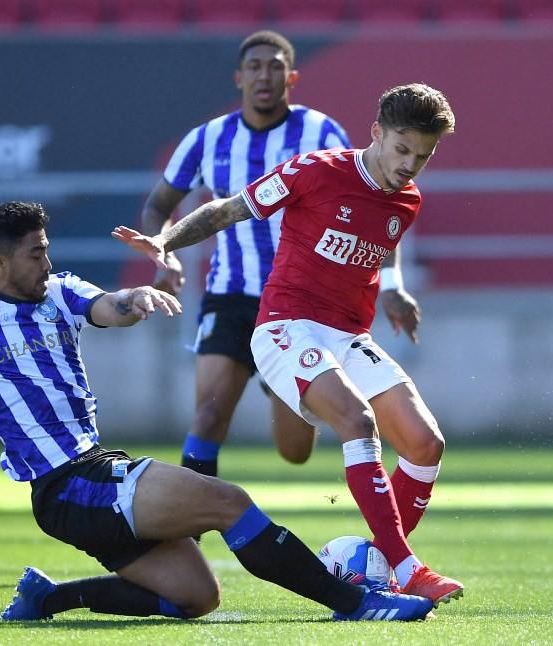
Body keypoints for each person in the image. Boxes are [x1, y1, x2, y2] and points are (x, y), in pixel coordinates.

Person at [0, 201, 432, 622]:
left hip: (90, 472)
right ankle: (357, 602)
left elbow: (109, 305)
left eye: (47, 249)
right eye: (35, 253)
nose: (47, 261)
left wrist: (136, 297)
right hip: (66, 482)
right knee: (229, 503)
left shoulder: (59, 292)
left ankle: (50, 598)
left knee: (196, 596)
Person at [114, 83, 463, 607]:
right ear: (376, 133)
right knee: (357, 422)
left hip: (349, 336)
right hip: (285, 327)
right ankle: (409, 569)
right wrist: (165, 240)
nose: (410, 165)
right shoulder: (314, 171)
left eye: (423, 156)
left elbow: (382, 244)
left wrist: (393, 289)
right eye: (402, 149)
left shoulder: (406, 200)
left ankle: (378, 569)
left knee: (425, 442)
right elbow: (227, 210)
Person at [141, 30, 352, 478]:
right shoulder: (208, 138)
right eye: (254, 67)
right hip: (231, 297)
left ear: (291, 77)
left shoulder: (322, 133)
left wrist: (383, 282)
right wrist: (165, 254)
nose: (264, 76)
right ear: (239, 77)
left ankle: (277, 383)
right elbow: (158, 205)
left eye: (275, 67)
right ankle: (190, 513)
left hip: (297, 303)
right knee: (208, 417)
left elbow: (361, 208)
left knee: (295, 451)